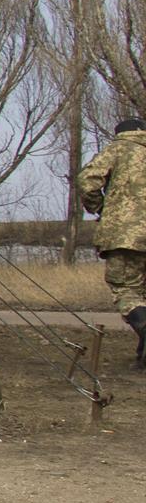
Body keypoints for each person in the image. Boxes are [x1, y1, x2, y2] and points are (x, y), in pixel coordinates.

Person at [78, 118, 146, 369]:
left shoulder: (118, 148)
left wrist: (101, 209)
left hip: (125, 236)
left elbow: (88, 180)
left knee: (127, 290)